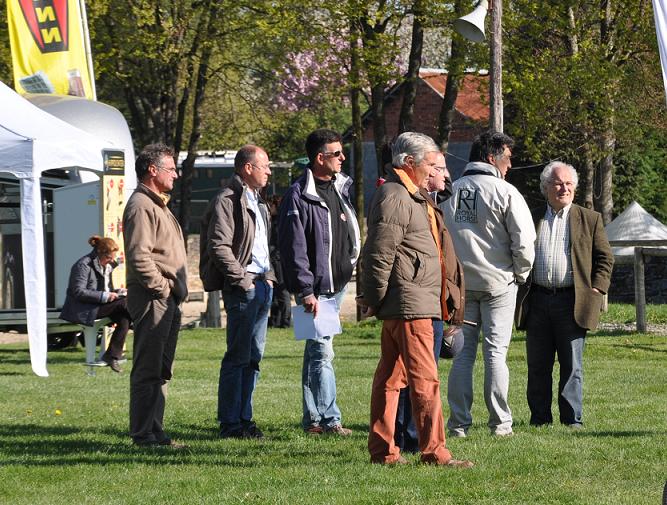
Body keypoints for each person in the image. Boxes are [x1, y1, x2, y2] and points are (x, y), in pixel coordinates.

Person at [358, 132, 471, 467]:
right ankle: (435, 452)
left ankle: (383, 452)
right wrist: (374, 299)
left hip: (412, 303)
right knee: (425, 380)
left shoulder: (412, 196)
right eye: (429, 163)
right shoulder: (395, 195)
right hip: (410, 306)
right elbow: (379, 254)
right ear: (409, 162)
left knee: (392, 379)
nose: (435, 169)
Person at [442, 130, 536, 438]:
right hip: (498, 283)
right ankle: (500, 424)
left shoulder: (449, 191)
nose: (510, 165)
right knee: (496, 353)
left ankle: (458, 424)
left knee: (462, 355)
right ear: (491, 157)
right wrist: (520, 275)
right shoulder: (506, 192)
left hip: (460, 285)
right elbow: (524, 242)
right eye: (508, 158)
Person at [515, 161, 614, 428]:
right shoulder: (530, 216)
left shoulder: (589, 218)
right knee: (538, 366)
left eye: (569, 184)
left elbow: (605, 258)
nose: (564, 188)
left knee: (572, 366)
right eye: (558, 183)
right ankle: (540, 419)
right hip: (536, 300)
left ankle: (572, 420)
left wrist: (596, 288)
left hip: (573, 301)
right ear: (546, 186)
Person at [278, 128, 361, 436]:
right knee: (322, 352)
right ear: (319, 158)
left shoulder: (339, 187)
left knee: (316, 350)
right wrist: (305, 291)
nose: (343, 158)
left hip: (337, 284)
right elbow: (293, 247)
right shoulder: (299, 195)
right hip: (317, 288)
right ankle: (329, 420)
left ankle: (313, 419)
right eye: (336, 153)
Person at [199, 145, 277, 439]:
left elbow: (263, 247)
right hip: (243, 287)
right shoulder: (227, 200)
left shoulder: (257, 200)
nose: (269, 171)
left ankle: (245, 418)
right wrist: (242, 280)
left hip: (261, 286)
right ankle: (231, 423)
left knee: (254, 357)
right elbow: (218, 246)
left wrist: (268, 278)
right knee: (238, 356)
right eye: (264, 166)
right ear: (247, 168)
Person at [393, 150, 464, 453]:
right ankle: (411, 437)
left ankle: (410, 436)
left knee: (424, 371)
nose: (444, 174)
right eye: (437, 167)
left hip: (434, 298)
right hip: (417, 299)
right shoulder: (405, 199)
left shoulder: (429, 201)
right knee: (416, 375)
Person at [123, 143, 188, 448]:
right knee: (148, 368)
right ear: (153, 170)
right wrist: (162, 289)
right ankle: (143, 435)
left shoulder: (157, 203)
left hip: (165, 299)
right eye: (171, 168)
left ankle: (155, 431)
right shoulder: (141, 205)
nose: (176, 174)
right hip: (153, 298)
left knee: (160, 370)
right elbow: (139, 257)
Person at [60, 235, 131, 373]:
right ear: (100, 252)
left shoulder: (106, 265)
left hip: (97, 305)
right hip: (82, 309)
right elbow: (78, 292)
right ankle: (145, 327)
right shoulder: (83, 265)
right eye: (108, 258)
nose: (111, 261)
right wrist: (105, 296)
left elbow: (106, 290)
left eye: (112, 258)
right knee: (126, 304)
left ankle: (111, 356)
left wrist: (118, 291)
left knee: (125, 318)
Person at [268, 195, 291, 329]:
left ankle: (285, 322)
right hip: (275, 258)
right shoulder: (275, 221)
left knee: (282, 292)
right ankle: (276, 321)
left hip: (278, 259)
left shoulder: (280, 222)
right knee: (276, 292)